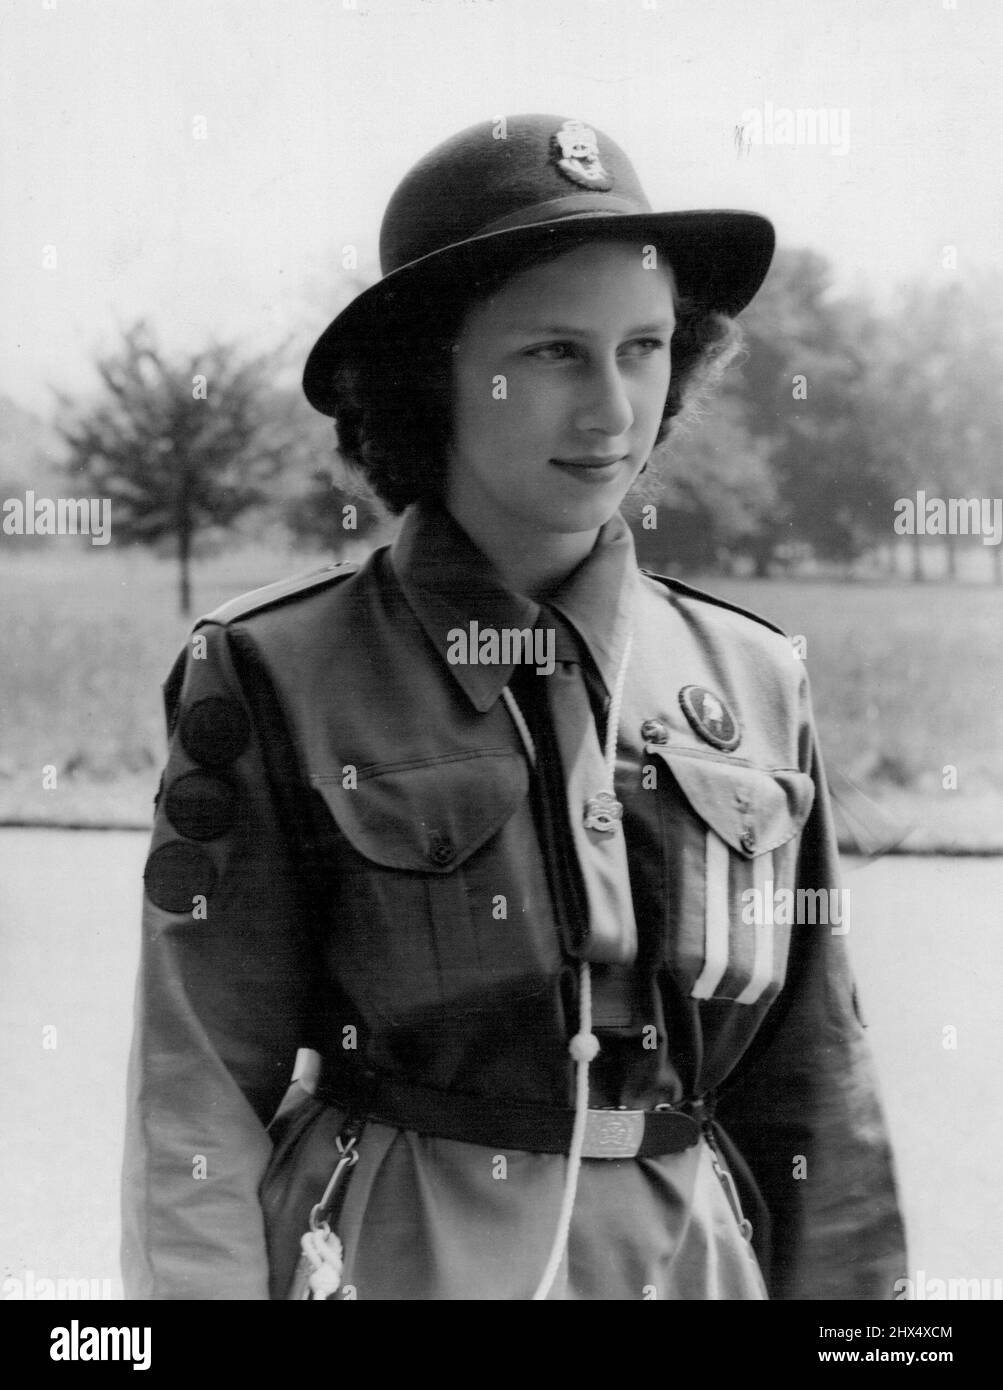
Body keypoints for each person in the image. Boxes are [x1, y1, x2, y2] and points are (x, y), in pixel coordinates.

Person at [122, 114, 906, 1301]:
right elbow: (195, 1091)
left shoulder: (751, 679)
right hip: (395, 1257)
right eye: (551, 353)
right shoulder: (279, 672)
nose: (610, 410)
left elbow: (818, 1093)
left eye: (642, 349)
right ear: (430, 371)